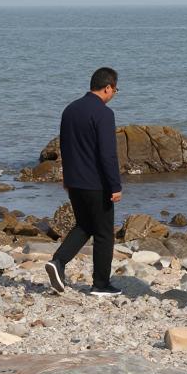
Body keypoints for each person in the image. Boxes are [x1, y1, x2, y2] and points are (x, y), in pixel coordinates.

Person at [45, 67, 123, 298]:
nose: (114, 94)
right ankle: (101, 284)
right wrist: (115, 185)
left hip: (74, 181)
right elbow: (107, 154)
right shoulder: (104, 113)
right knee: (104, 233)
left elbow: (64, 146)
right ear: (107, 87)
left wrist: (66, 177)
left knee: (85, 226)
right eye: (115, 89)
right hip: (96, 183)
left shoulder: (70, 109)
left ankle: (58, 262)